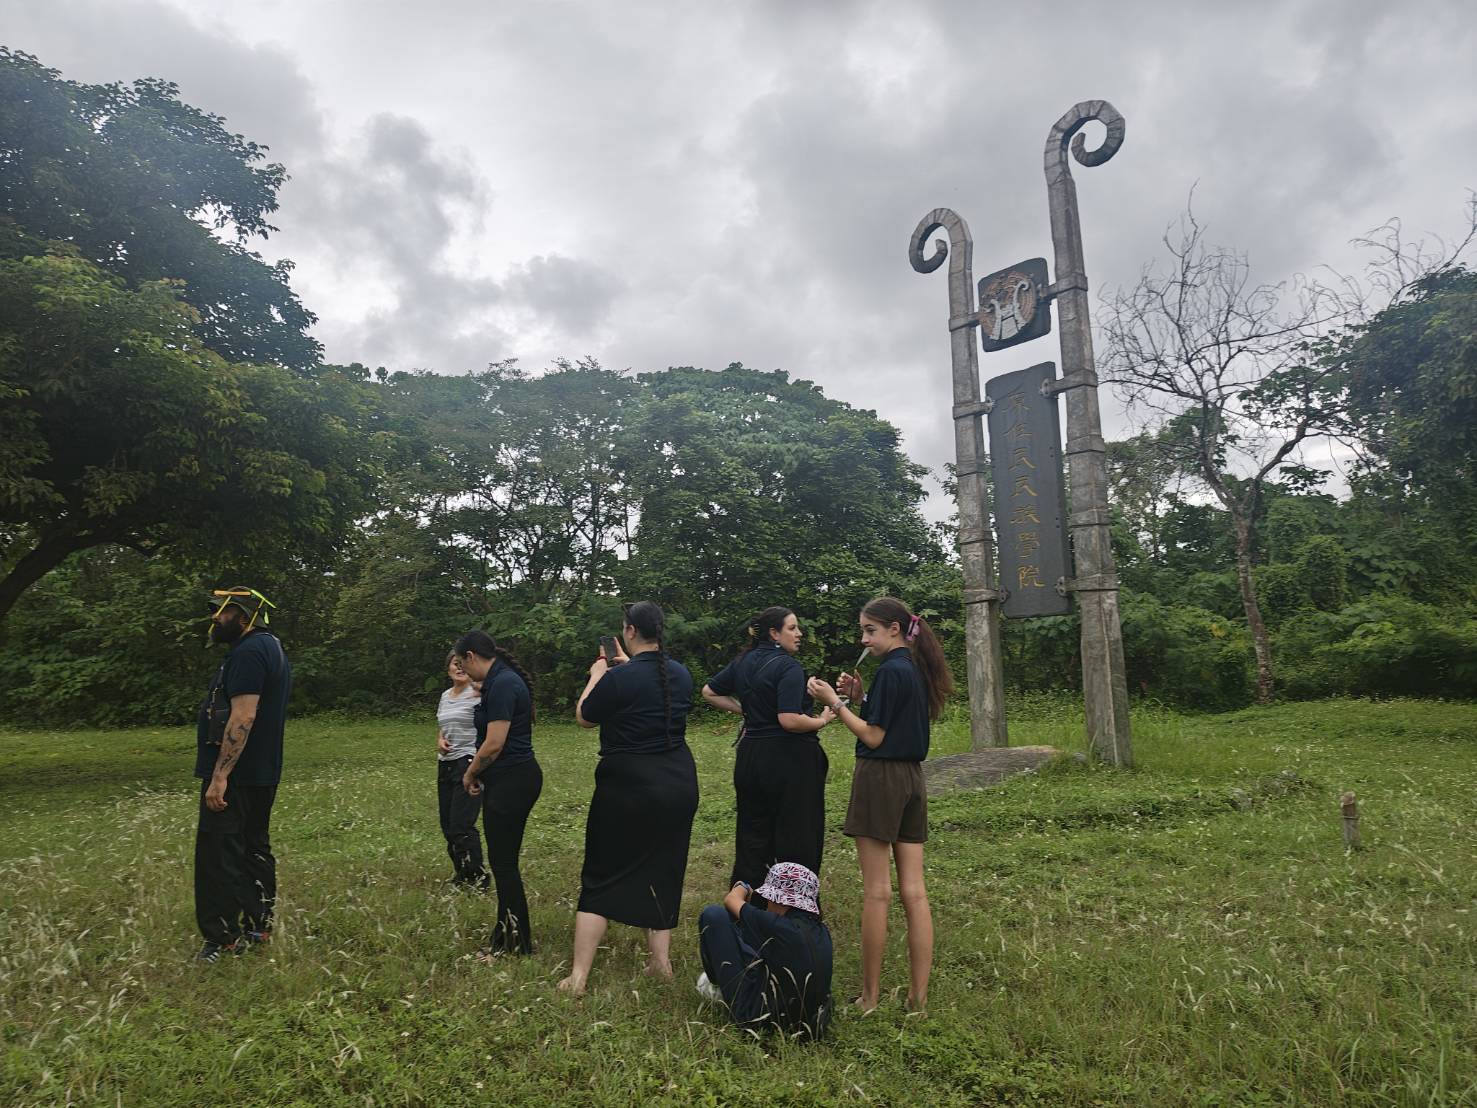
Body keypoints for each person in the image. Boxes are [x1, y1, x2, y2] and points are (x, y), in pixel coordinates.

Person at [807, 596, 953, 1014]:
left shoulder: (892, 670)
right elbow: (890, 720)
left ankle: (869, 999)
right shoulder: (912, 669)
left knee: (877, 892)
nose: (864, 639)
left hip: (880, 778)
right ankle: (917, 1000)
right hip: (912, 779)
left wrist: (834, 703)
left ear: (894, 629)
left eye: (870, 630)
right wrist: (861, 695)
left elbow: (873, 737)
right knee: (914, 891)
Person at [557, 601, 700, 995]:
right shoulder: (681, 674)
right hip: (678, 784)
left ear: (630, 631)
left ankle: (579, 977)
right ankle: (660, 964)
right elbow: (648, 685)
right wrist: (624, 667)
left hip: (628, 787)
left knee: (602, 872)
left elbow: (586, 716)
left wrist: (598, 673)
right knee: (664, 868)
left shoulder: (616, 679)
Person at [701, 607, 836, 895]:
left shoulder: (742, 662)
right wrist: (822, 719)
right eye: (792, 628)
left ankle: (748, 902)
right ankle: (792, 905)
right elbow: (789, 720)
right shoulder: (789, 667)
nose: (799, 634)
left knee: (752, 831)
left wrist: (745, 711)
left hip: (750, 756)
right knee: (797, 832)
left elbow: (709, 691)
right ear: (774, 633)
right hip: (788, 760)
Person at [194, 586, 293, 963]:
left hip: (237, 775)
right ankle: (258, 924)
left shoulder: (250, 651)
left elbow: (244, 715)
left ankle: (222, 938)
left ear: (245, 615)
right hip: (261, 773)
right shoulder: (271, 647)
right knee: (253, 847)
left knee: (219, 852)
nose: (215, 619)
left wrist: (221, 776)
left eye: (222, 612)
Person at [455, 630, 543, 956]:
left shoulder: (504, 683)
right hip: (509, 780)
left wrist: (471, 772)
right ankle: (506, 936)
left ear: (471, 657)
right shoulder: (498, 682)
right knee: (504, 863)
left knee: (504, 865)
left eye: (463, 665)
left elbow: (494, 743)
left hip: (513, 781)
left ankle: (514, 945)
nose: (464, 672)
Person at [694, 862, 833, 1039]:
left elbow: (731, 900)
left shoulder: (776, 926)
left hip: (760, 1020)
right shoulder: (821, 931)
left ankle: (716, 986)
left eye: (769, 898)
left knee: (713, 915)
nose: (767, 904)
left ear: (780, 900)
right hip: (813, 1025)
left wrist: (742, 886)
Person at [435, 651, 486, 887]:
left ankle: (477, 877)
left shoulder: (477, 693)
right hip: (446, 764)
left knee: (461, 824)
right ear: (448, 669)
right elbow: (443, 725)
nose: (459, 668)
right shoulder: (446, 696)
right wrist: (440, 740)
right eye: (455, 665)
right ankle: (461, 874)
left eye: (463, 664)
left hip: (470, 762)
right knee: (448, 825)